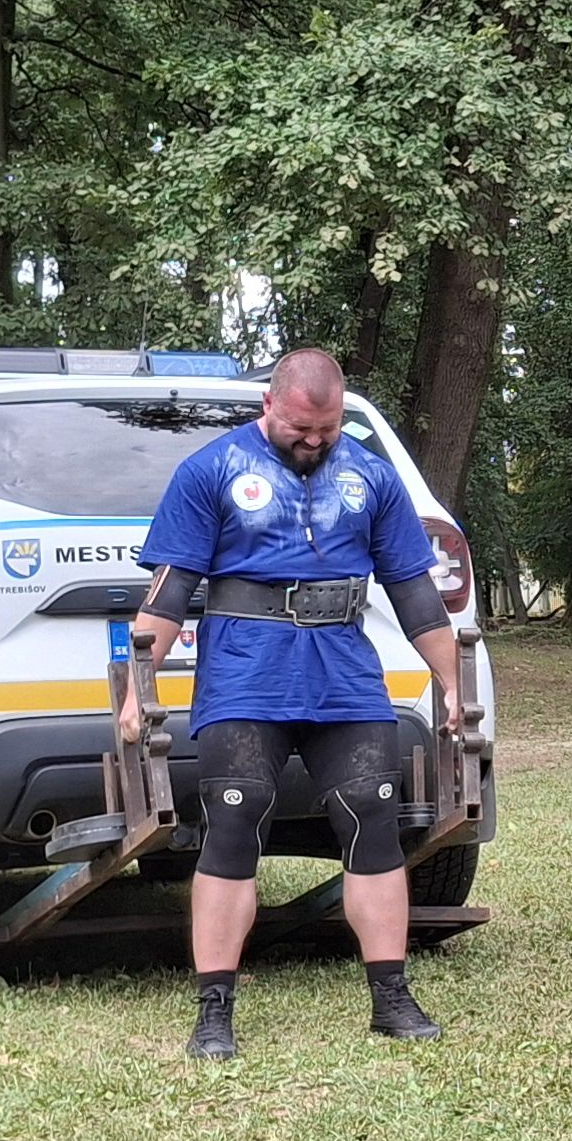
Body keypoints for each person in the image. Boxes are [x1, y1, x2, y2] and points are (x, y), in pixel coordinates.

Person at [120, 350, 478, 1060]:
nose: (314, 440)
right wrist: (138, 688)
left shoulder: (371, 477)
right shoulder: (211, 470)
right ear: (269, 406)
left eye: (327, 428)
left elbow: (414, 593)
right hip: (244, 672)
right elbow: (170, 590)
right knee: (233, 823)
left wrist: (451, 683)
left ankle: (391, 997)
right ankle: (214, 1011)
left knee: (373, 818)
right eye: (300, 428)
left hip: (343, 673)